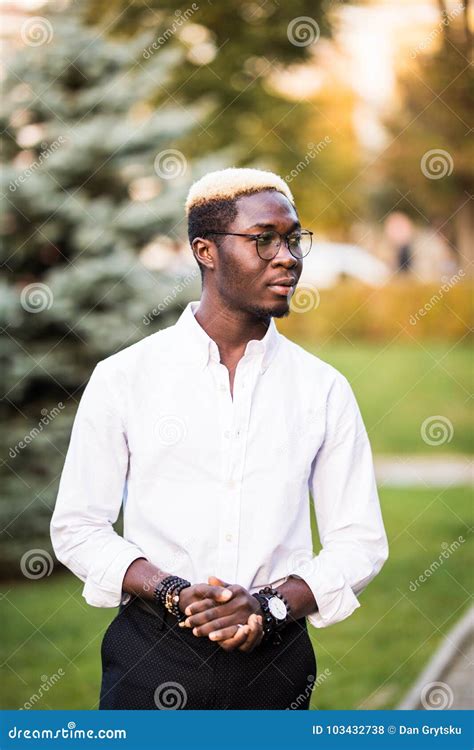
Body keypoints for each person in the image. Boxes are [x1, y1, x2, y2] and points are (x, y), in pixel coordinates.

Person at [50, 167, 389, 710]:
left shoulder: (322, 388)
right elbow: (78, 528)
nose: (288, 257)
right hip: (150, 658)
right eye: (263, 240)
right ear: (205, 251)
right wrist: (172, 592)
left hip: (276, 667)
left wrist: (268, 605)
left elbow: (360, 540)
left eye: (292, 238)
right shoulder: (125, 377)